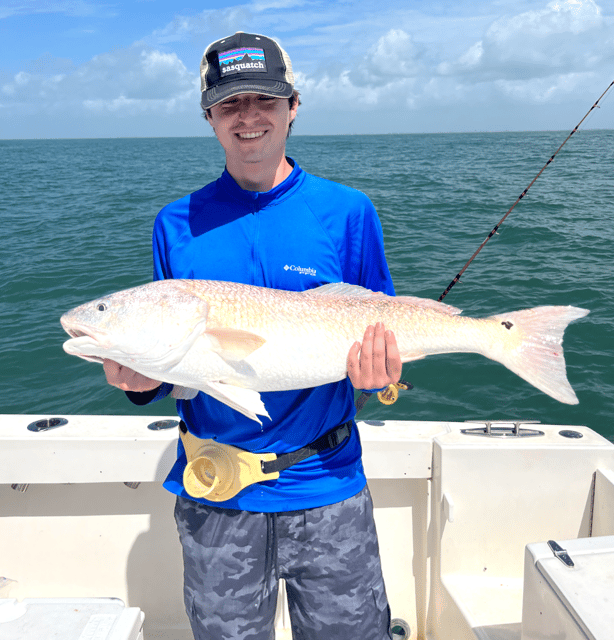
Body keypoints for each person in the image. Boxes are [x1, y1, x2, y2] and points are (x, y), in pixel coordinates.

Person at [103, 31, 402, 640]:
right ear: (209, 116)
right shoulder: (176, 224)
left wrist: (385, 383)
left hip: (329, 486)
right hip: (219, 495)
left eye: (264, 100)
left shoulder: (347, 212)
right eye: (230, 103)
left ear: (293, 107)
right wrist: (141, 384)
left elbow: (383, 341)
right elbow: (178, 360)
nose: (249, 118)